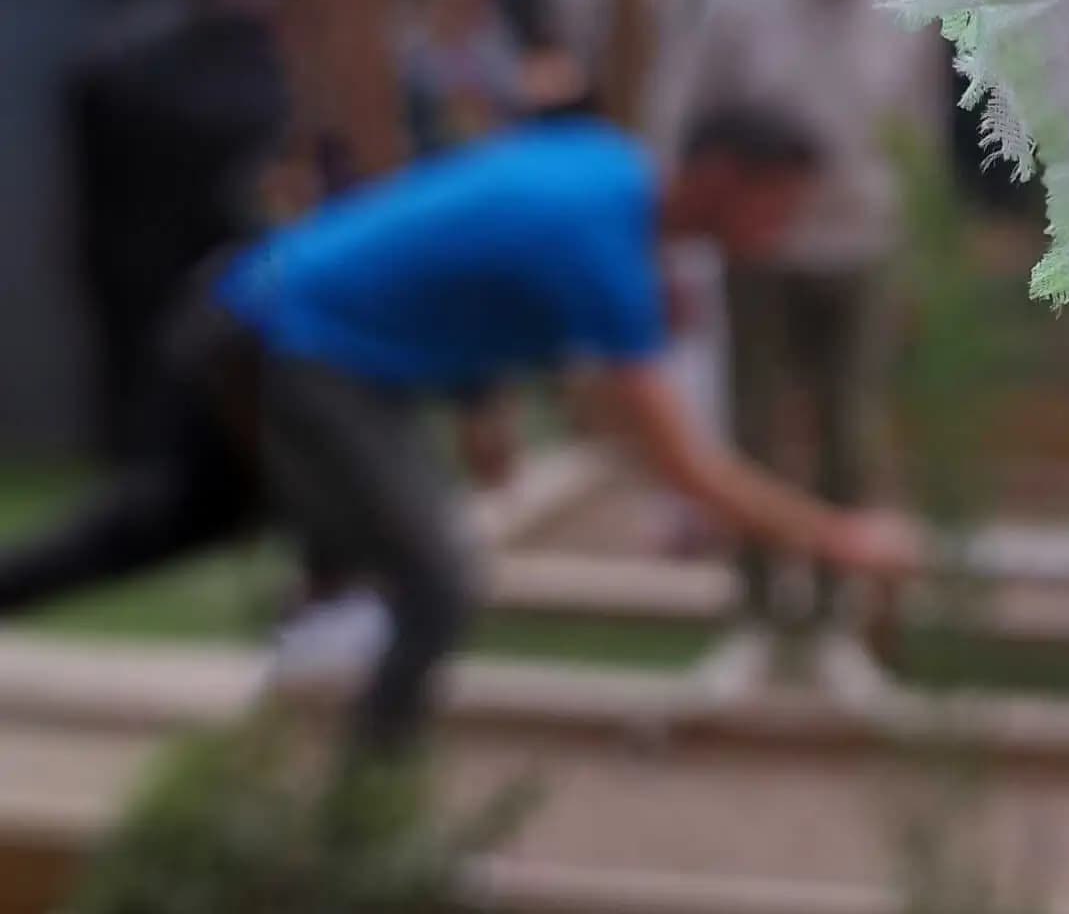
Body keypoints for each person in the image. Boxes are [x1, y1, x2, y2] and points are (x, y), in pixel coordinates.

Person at [0, 87, 920, 755]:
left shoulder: (603, 165)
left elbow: (461, 250)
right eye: (776, 204)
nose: (784, 228)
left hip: (268, 313)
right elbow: (690, 471)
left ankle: (304, 702)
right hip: (287, 343)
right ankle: (358, 820)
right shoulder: (606, 256)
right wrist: (839, 537)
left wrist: (483, 404)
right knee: (436, 576)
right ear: (721, 177)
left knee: (167, 528)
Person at [667, 0, 947, 703]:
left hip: (861, 245)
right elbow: (688, 112)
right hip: (759, 247)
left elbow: (922, 137)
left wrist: (918, 262)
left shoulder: (902, 1)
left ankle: (832, 627)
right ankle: (756, 618)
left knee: (848, 435)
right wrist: (682, 243)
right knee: (754, 428)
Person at [67, 0, 291, 460]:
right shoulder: (232, 46)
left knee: (143, 398)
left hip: (127, 250)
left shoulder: (125, 42)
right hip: (192, 255)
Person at [401, 0, 525, 157]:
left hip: (496, 150)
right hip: (434, 156)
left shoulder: (494, 33)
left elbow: (511, 86)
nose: (474, 4)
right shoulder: (412, 43)